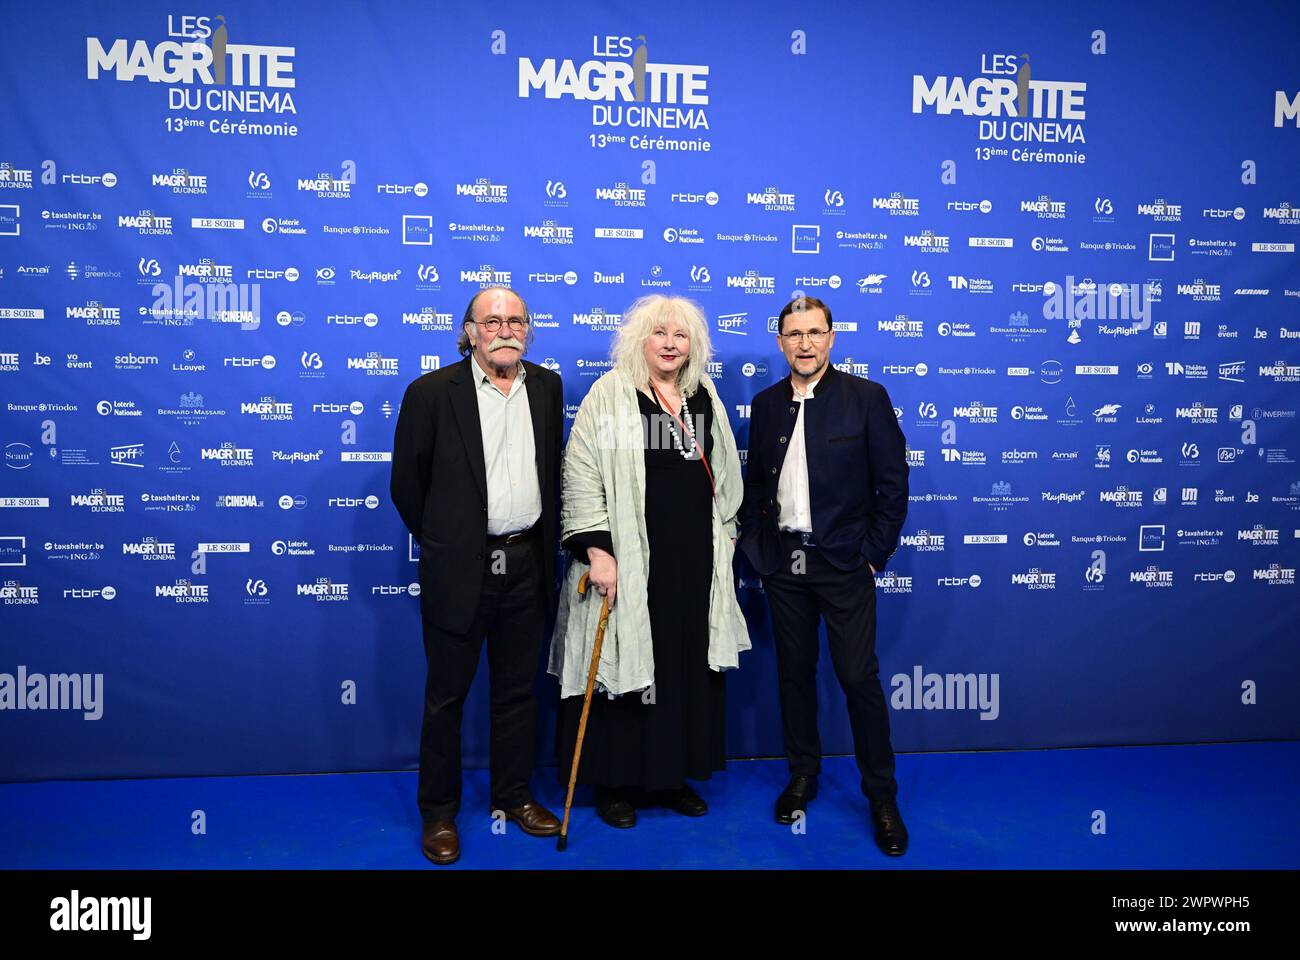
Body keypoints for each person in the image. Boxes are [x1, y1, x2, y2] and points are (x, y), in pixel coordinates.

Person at [549, 294, 749, 828]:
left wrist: (726, 534)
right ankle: (616, 785)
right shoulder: (610, 395)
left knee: (682, 663)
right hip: (627, 560)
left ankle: (671, 776)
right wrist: (598, 552)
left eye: (680, 336)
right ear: (640, 338)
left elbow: (726, 467)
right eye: (660, 333)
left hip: (692, 561)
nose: (670, 344)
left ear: (693, 345)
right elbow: (581, 473)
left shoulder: (702, 395)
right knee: (625, 663)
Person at [390, 286, 564, 865]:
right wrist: (448, 542)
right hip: (461, 568)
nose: (505, 330)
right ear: (469, 331)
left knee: (517, 692)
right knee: (447, 697)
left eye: (516, 320)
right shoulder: (431, 393)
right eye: (492, 321)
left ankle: (514, 797)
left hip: (527, 563)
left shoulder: (547, 387)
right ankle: (438, 813)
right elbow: (408, 488)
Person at [737, 295, 910, 855]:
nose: (805, 343)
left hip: (844, 565)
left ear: (831, 338)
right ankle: (803, 775)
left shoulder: (866, 399)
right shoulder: (765, 405)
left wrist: (872, 554)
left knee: (858, 678)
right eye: (794, 334)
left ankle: (881, 797)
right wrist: (758, 549)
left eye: (815, 332)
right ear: (781, 341)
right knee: (794, 674)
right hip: (784, 565)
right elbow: (757, 487)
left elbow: (892, 485)